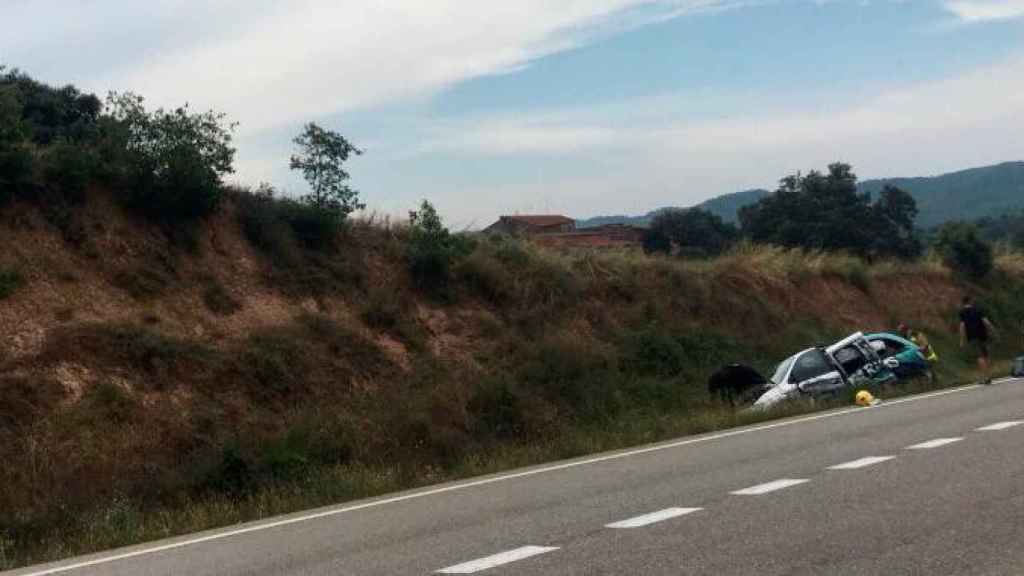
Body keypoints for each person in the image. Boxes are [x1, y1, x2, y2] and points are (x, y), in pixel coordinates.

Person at [959, 296, 998, 384]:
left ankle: (985, 377)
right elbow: (986, 321)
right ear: (970, 301)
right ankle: (988, 375)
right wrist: (993, 330)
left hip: (972, 337)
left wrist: (962, 339)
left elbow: (962, 326)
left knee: (980, 357)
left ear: (963, 303)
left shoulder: (962, 312)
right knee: (986, 355)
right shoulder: (978, 309)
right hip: (983, 335)